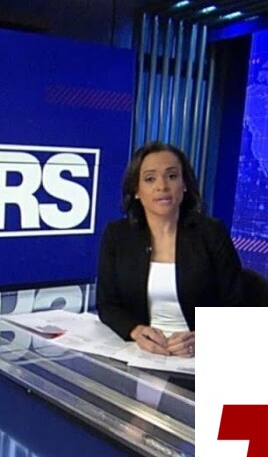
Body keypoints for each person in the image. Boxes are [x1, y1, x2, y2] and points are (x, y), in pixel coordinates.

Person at [96, 141, 244, 358]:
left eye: (172, 176)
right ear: (136, 190)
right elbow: (107, 304)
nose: (162, 186)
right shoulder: (117, 235)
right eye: (150, 179)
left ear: (184, 185)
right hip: (141, 352)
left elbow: (236, 304)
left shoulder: (211, 233)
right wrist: (135, 331)